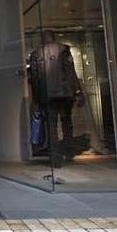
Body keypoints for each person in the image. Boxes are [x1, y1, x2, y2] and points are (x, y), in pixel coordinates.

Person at [27, 30, 85, 168]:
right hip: (65, 94)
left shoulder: (36, 54)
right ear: (53, 37)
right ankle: (69, 153)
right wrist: (77, 92)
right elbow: (70, 71)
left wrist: (37, 98)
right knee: (66, 123)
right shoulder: (64, 49)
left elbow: (35, 79)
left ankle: (55, 159)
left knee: (51, 127)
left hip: (47, 95)